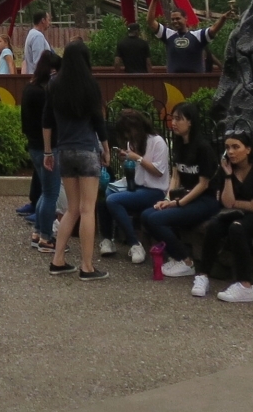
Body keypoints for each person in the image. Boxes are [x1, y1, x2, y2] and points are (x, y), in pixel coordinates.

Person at [42, 40, 108, 280]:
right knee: (87, 209)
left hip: (65, 151)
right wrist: (106, 148)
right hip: (87, 151)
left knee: (71, 208)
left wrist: (48, 152)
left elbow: (47, 120)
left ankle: (58, 260)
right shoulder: (91, 85)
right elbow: (99, 121)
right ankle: (87, 266)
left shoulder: (54, 84)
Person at [192, 129, 253, 302]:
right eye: (227, 147)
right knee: (214, 225)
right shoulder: (228, 170)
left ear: (248, 149)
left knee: (236, 228)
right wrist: (228, 176)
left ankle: (246, 285)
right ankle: (203, 276)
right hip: (238, 213)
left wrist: (234, 204)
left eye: (235, 147)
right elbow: (226, 202)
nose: (230, 152)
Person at [139, 103, 219, 276]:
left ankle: (185, 261)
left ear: (190, 122)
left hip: (205, 200)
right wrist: (167, 200)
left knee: (156, 220)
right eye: (172, 118)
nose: (173, 123)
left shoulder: (203, 148)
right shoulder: (178, 144)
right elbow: (176, 177)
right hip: (184, 197)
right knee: (146, 215)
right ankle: (176, 257)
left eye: (178, 119)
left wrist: (178, 203)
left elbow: (203, 184)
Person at [104, 109, 170, 264]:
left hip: (155, 190)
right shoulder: (132, 143)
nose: (129, 136)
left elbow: (158, 172)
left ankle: (134, 243)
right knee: (105, 193)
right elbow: (133, 169)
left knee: (113, 200)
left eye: (130, 131)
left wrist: (138, 158)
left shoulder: (157, 142)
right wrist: (125, 160)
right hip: (137, 186)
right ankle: (107, 239)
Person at [20, 50, 62, 250]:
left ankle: (38, 231)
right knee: (51, 193)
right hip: (47, 147)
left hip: (33, 145)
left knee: (45, 192)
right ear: (52, 71)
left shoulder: (30, 88)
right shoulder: (44, 93)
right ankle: (46, 236)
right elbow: (49, 121)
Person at [151, 5, 230, 75]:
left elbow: (213, 29)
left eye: (178, 18)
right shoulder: (168, 35)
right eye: (173, 19)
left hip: (195, 81)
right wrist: (154, 0)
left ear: (186, 19)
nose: (175, 21)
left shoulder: (197, 36)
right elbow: (150, 22)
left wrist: (222, 19)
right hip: (173, 82)